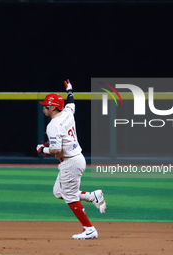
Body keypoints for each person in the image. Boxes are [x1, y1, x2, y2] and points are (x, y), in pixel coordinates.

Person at [36, 79, 106, 240]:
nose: (43, 107)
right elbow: (71, 104)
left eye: (46, 105)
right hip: (75, 158)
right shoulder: (67, 112)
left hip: (70, 162)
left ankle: (89, 229)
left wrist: (42, 149)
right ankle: (92, 196)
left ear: (53, 107)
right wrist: (70, 91)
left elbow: (56, 150)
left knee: (70, 196)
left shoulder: (53, 125)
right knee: (58, 192)